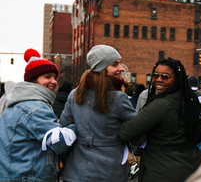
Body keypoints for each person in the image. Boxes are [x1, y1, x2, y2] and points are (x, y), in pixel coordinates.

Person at [59, 45, 138, 182]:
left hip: (76, 171)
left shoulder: (75, 94)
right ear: (102, 69)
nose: (121, 68)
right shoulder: (118, 98)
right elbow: (137, 128)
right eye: (115, 64)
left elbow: (65, 127)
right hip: (109, 171)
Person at [119, 58, 201, 182]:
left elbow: (126, 132)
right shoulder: (188, 100)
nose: (158, 79)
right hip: (191, 165)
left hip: (162, 170)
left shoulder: (161, 105)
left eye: (165, 76)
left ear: (177, 79)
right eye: (155, 75)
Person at [0, 48, 76, 182]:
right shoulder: (36, 108)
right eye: (47, 77)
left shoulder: (16, 103)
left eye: (54, 77)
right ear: (33, 80)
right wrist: (74, 126)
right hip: (29, 177)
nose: (54, 81)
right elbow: (59, 143)